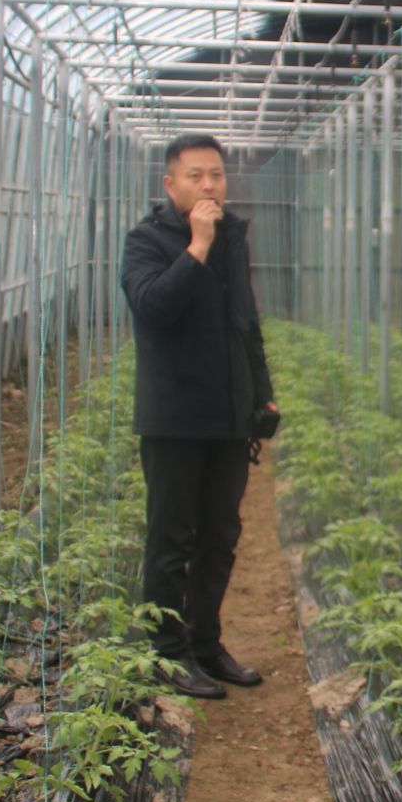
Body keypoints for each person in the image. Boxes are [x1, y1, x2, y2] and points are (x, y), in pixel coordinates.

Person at [121, 134, 278, 701]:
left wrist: (262, 395)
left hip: (228, 416)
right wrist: (198, 245)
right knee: (171, 540)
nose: (210, 184)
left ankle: (206, 643)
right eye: (196, 175)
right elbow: (154, 308)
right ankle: (167, 652)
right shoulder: (144, 241)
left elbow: (244, 321)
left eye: (217, 174)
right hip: (173, 420)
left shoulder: (231, 237)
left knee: (220, 536)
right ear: (170, 185)